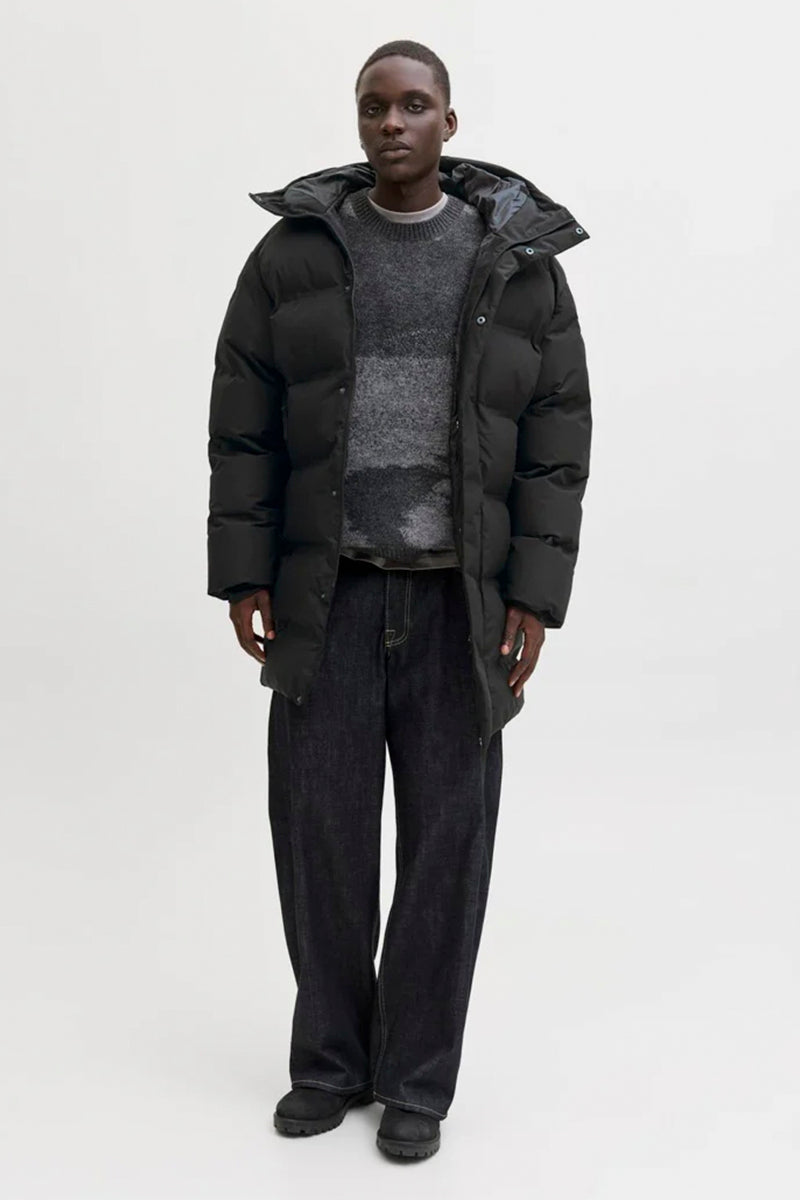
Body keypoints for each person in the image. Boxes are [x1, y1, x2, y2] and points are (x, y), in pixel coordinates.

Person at [206, 38, 592, 1160]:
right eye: (374, 105)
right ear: (358, 119)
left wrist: (533, 596)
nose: (391, 123)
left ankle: (416, 1077)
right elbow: (242, 419)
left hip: (457, 605)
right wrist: (246, 571)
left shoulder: (517, 262)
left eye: (413, 105)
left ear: (448, 123)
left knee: (446, 850)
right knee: (319, 838)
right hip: (328, 594)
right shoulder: (293, 255)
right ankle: (328, 1062)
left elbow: (555, 441)